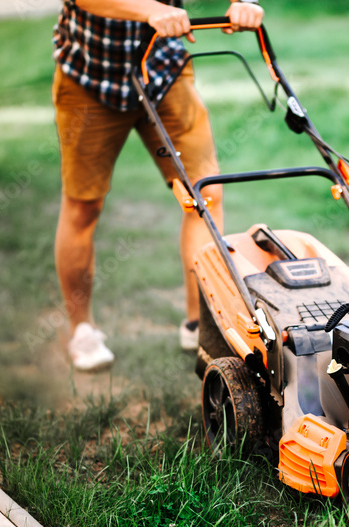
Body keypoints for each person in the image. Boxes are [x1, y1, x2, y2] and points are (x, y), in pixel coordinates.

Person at [52, 0, 264, 371]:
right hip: (91, 76)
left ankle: (201, 323)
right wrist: (149, 8)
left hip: (164, 68)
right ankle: (81, 329)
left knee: (204, 194)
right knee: (84, 206)